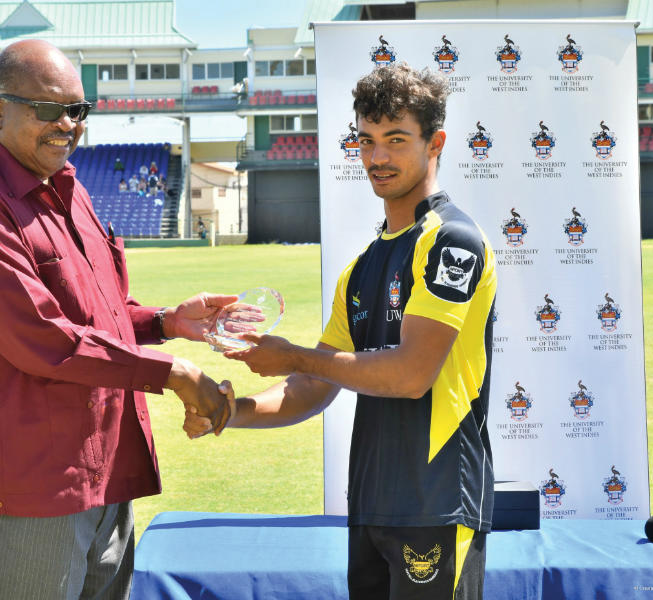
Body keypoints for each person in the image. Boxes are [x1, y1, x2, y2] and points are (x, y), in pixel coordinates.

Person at [0, 39, 233, 600]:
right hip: (30, 482)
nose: (67, 124)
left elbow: (95, 315)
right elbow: (44, 339)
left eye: (78, 110)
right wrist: (176, 374)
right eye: (48, 109)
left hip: (105, 469)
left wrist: (164, 321)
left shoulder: (70, 189)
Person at [186, 63, 497, 600]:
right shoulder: (362, 266)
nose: (377, 157)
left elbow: (410, 375)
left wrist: (297, 357)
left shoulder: (452, 242)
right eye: (367, 141)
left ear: (436, 142)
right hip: (372, 505)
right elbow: (313, 386)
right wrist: (230, 412)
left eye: (396, 140)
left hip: (436, 503)